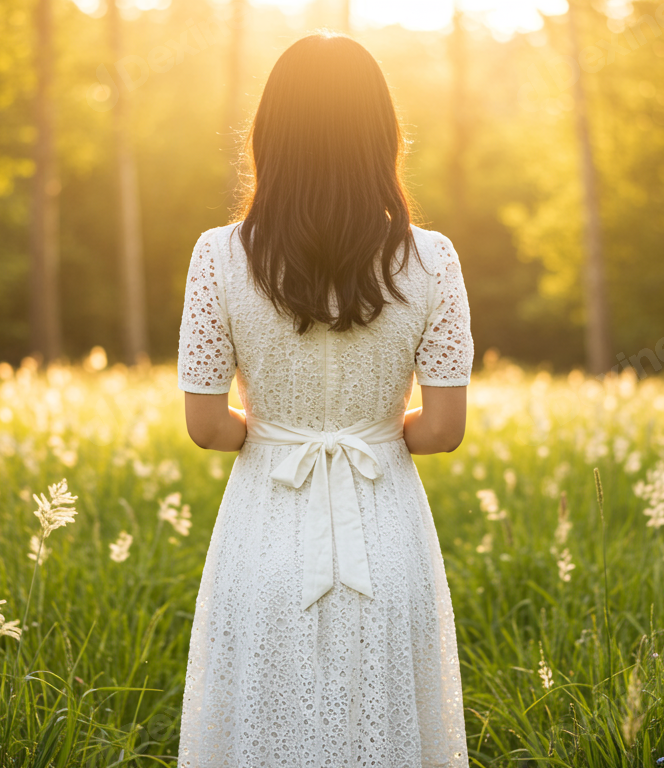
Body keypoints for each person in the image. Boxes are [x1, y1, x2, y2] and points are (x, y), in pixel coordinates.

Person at [175, 31, 473, 767]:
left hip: (263, 528)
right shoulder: (432, 259)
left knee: (265, 732)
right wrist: (373, 432)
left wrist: (277, 432)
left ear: (270, 136)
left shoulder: (218, 255)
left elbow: (208, 426)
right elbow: (441, 429)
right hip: (388, 535)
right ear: (382, 137)